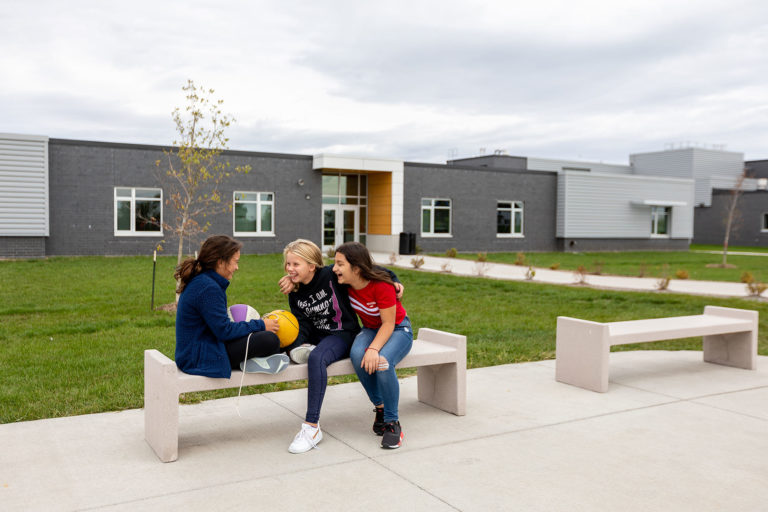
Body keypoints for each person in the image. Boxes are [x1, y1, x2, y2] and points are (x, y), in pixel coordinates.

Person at [279, 239, 403, 454]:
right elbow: (304, 323)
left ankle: (311, 428)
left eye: (295, 264)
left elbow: (371, 269)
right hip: (319, 338)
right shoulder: (295, 292)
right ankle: (302, 350)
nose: (290, 269)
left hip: (343, 334)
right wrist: (294, 344)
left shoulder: (331, 275)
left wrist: (395, 280)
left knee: (318, 358)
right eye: (288, 264)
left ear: (312, 265)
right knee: (299, 348)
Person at [333, 241, 412, 449]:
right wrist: (291, 278)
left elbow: (388, 323)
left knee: (383, 362)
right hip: (370, 329)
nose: (335, 269)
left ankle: (393, 423)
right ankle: (381, 408)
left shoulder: (381, 286)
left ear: (356, 268)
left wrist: (374, 349)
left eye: (340, 264)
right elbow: (314, 274)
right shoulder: (344, 282)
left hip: (397, 329)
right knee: (358, 355)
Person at [174, 235, 289, 378]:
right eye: (235, 262)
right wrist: (261, 324)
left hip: (202, 349)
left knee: (264, 337)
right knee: (269, 340)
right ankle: (255, 361)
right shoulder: (208, 288)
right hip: (200, 358)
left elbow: (220, 328)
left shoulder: (204, 281)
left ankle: (257, 360)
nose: (237, 267)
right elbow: (224, 331)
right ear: (221, 262)